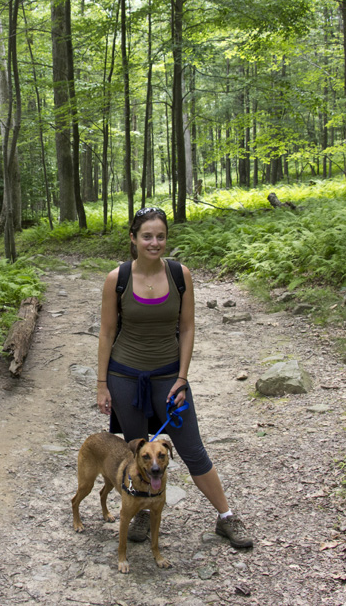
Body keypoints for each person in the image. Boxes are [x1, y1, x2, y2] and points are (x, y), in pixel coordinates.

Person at [95, 206, 252, 549]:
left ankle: (226, 518)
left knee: (192, 449)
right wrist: (102, 384)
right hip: (125, 377)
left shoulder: (180, 274)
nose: (154, 242)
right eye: (147, 236)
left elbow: (186, 326)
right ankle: (139, 513)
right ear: (133, 239)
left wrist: (182, 378)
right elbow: (106, 333)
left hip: (169, 377)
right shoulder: (116, 278)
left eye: (160, 236)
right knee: (137, 452)